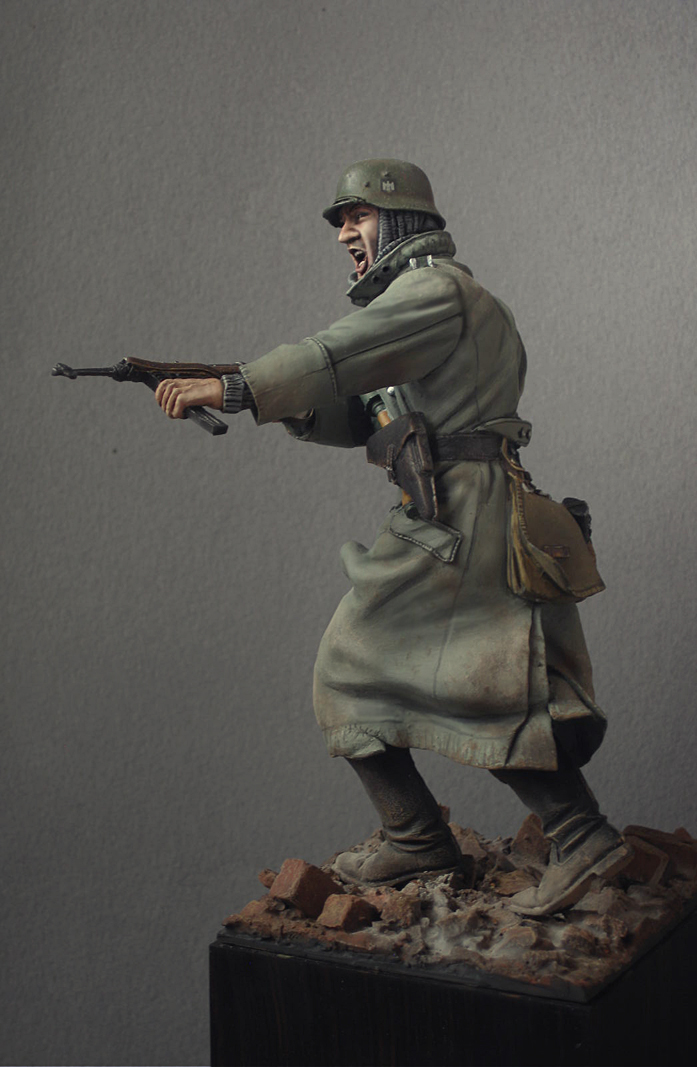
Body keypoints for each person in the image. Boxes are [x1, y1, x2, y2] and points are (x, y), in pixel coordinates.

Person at [155, 159, 631, 916]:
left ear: (403, 220)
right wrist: (288, 405)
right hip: (445, 507)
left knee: (466, 679)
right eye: (341, 221)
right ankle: (422, 836)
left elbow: (337, 352)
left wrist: (239, 386)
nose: (345, 233)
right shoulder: (425, 304)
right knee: (395, 673)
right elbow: (369, 412)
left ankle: (575, 838)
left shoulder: (432, 291)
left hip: (465, 512)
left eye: (359, 216)